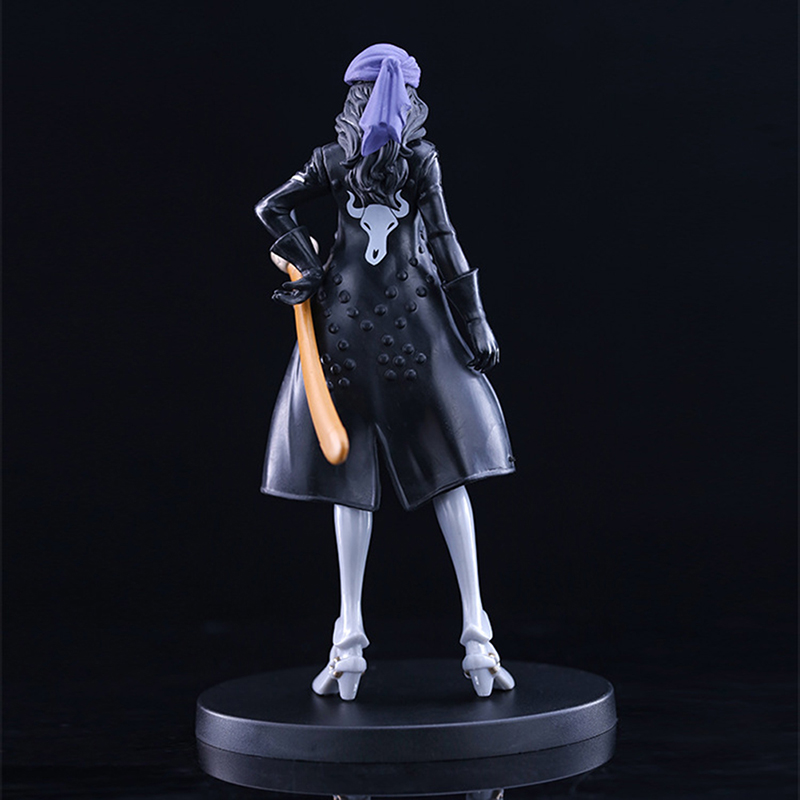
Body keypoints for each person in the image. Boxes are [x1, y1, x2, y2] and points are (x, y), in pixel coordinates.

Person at [255, 44, 515, 700]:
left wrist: (307, 264)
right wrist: (475, 319)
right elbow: (445, 239)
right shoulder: (413, 161)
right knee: (443, 471)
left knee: (357, 481)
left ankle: (350, 645)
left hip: (348, 328)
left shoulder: (337, 160)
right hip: (411, 328)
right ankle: (475, 638)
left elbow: (271, 209)